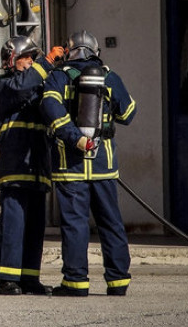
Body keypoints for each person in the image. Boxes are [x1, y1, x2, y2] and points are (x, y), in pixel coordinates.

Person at [40, 30, 137, 297]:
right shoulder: (109, 76)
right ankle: (118, 282)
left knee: (75, 224)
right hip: (103, 164)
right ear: (96, 51)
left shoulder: (58, 77)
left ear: (69, 51)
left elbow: (51, 111)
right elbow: (128, 113)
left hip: (70, 165)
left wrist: (75, 138)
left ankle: (76, 282)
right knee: (111, 222)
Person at [0, 36, 64, 295]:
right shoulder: (6, 86)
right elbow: (24, 85)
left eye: (35, 59)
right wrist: (46, 62)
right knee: (14, 223)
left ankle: (29, 278)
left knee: (35, 226)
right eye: (29, 59)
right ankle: (8, 280)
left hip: (37, 166)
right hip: (15, 167)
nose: (32, 63)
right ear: (16, 60)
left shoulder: (37, 85)